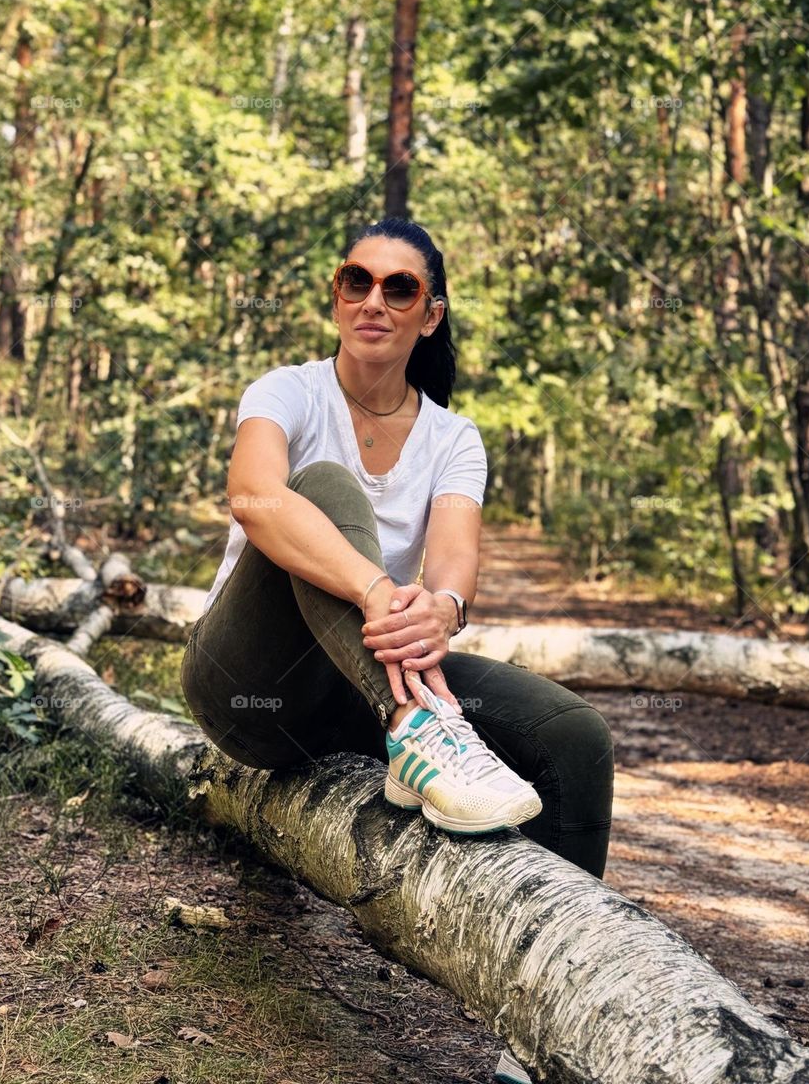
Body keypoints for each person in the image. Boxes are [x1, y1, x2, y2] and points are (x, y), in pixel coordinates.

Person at [179, 216, 614, 1084]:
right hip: (249, 687)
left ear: (431, 314)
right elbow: (254, 499)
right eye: (357, 281)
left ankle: (539, 1028)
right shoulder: (288, 392)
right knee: (320, 489)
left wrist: (438, 610)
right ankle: (417, 730)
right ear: (338, 296)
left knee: (577, 739)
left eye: (399, 288)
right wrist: (380, 592)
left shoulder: (455, 439)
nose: (373, 300)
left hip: (354, 676)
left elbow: (455, 567)